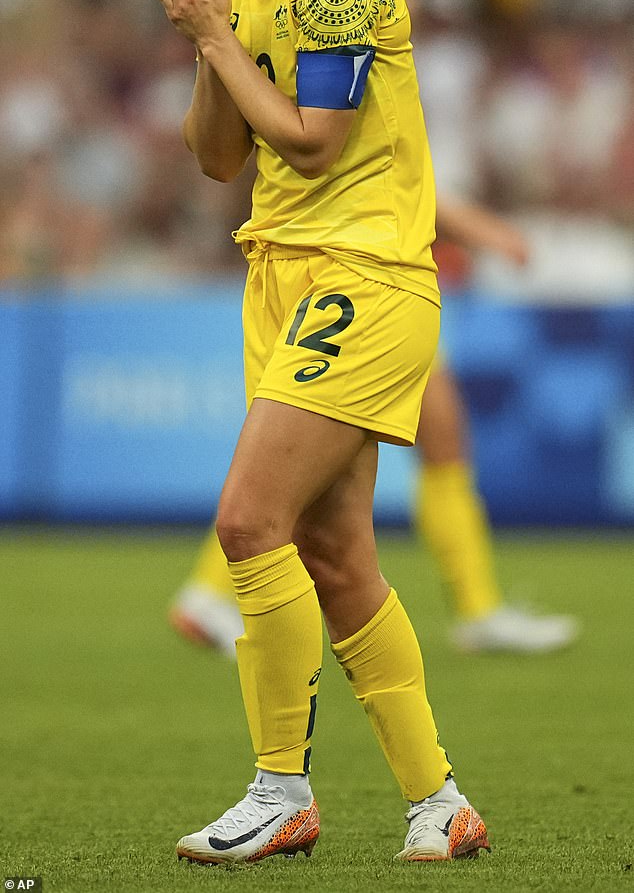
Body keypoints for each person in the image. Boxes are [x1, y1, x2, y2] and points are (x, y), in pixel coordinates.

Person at [146, 0, 490, 866]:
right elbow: (215, 158)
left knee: (248, 522)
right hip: (285, 273)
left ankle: (280, 787)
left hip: (367, 273)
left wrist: (217, 39)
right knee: (336, 555)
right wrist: (209, 32)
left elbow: (311, 141)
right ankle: (438, 802)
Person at [171, 195, 578, 656]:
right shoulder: (349, 125)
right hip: (361, 283)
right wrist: (484, 230)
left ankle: (478, 607)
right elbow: (397, 178)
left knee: (439, 439)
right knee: (312, 458)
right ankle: (209, 591)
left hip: (371, 276)